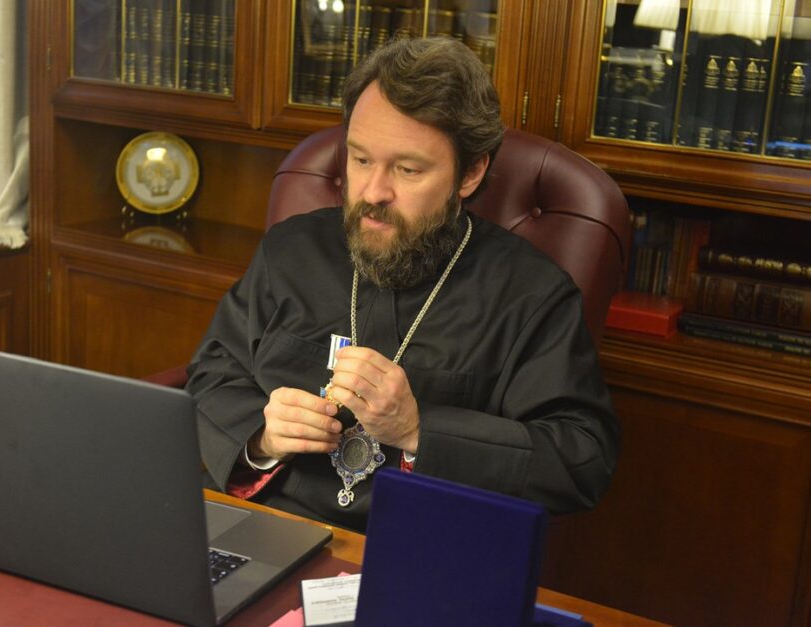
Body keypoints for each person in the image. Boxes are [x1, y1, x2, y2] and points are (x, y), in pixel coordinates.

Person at [186, 36, 619, 532]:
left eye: (407, 169)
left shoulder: (532, 293)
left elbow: (580, 457)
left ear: (471, 172)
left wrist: (419, 429)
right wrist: (263, 437)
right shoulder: (291, 250)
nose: (373, 192)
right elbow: (213, 373)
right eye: (360, 160)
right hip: (268, 525)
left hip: (425, 544)